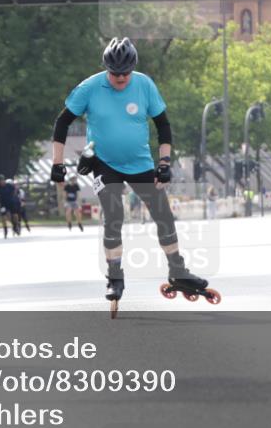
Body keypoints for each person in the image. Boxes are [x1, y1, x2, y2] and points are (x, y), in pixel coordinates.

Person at [49, 37, 210, 306]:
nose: (120, 78)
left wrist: (164, 164)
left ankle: (178, 271)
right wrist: (57, 162)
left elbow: (163, 125)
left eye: (125, 73)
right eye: (115, 73)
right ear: (106, 69)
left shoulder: (144, 85)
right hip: (103, 163)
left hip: (140, 163)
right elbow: (62, 122)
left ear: (132, 69)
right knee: (113, 214)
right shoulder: (89, 88)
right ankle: (114, 276)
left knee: (163, 214)